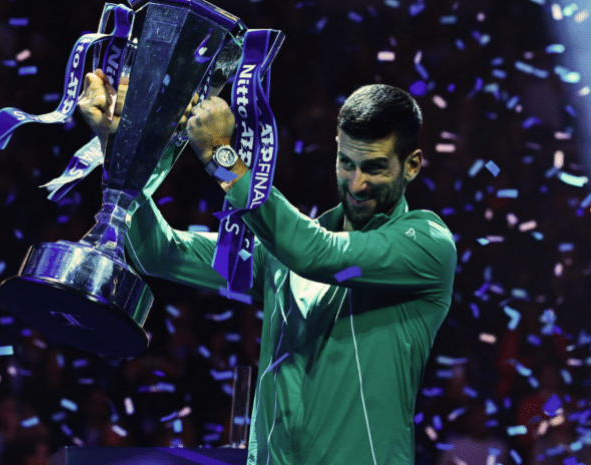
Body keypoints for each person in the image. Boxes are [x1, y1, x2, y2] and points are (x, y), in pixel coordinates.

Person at [78, 71, 457, 465]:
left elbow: (316, 254)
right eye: (347, 163)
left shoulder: (426, 245)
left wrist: (221, 158)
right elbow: (162, 253)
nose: (357, 184)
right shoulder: (287, 248)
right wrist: (119, 148)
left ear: (412, 165)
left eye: (375, 168)